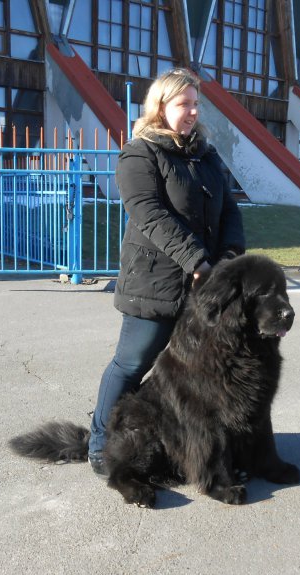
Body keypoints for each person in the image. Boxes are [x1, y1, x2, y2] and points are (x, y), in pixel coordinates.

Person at [88, 68, 245, 476]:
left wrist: (226, 260)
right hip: (155, 283)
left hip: (204, 285)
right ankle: (100, 445)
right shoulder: (140, 153)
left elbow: (229, 210)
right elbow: (148, 214)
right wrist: (196, 260)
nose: (192, 112)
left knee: (195, 372)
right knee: (131, 364)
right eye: (183, 104)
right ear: (160, 107)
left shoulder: (206, 156)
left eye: (196, 104)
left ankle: (189, 447)